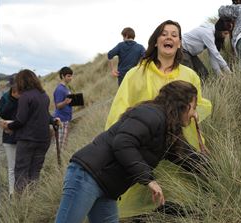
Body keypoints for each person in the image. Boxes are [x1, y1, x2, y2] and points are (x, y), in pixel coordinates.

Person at [54, 81, 209, 223]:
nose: (194, 114)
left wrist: (218, 174)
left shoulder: (169, 130)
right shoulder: (150, 114)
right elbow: (123, 143)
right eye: (193, 107)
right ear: (183, 105)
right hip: (87, 175)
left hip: (107, 188)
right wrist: (149, 180)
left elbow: (186, 156)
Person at [107, 20, 213, 218]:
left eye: (174, 35)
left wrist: (195, 113)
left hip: (178, 141)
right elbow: (119, 109)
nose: (169, 38)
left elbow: (197, 105)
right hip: (146, 143)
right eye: (164, 34)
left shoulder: (189, 75)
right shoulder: (135, 74)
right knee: (143, 195)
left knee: (193, 182)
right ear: (156, 41)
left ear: (180, 43)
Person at [0, 69, 54, 193]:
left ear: (22, 81)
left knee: (21, 172)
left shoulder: (25, 96)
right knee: (35, 172)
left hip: (28, 139)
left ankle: (21, 205)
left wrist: (8, 126)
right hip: (44, 139)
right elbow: (45, 116)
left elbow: (21, 120)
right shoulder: (44, 95)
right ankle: (32, 200)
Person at [0, 78, 19, 195]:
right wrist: (12, 100)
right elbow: (1, 113)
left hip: (22, 135)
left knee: (20, 166)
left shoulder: (25, 97)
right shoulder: (6, 97)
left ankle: (18, 191)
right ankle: (12, 193)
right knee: (12, 166)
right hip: (9, 135)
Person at [53, 67, 74, 151]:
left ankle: (59, 163)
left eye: (71, 76)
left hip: (66, 118)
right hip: (60, 119)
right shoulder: (60, 89)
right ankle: (55, 162)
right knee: (58, 144)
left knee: (63, 144)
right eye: (68, 76)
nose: (70, 78)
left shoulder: (66, 88)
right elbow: (58, 106)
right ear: (62, 76)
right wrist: (65, 102)